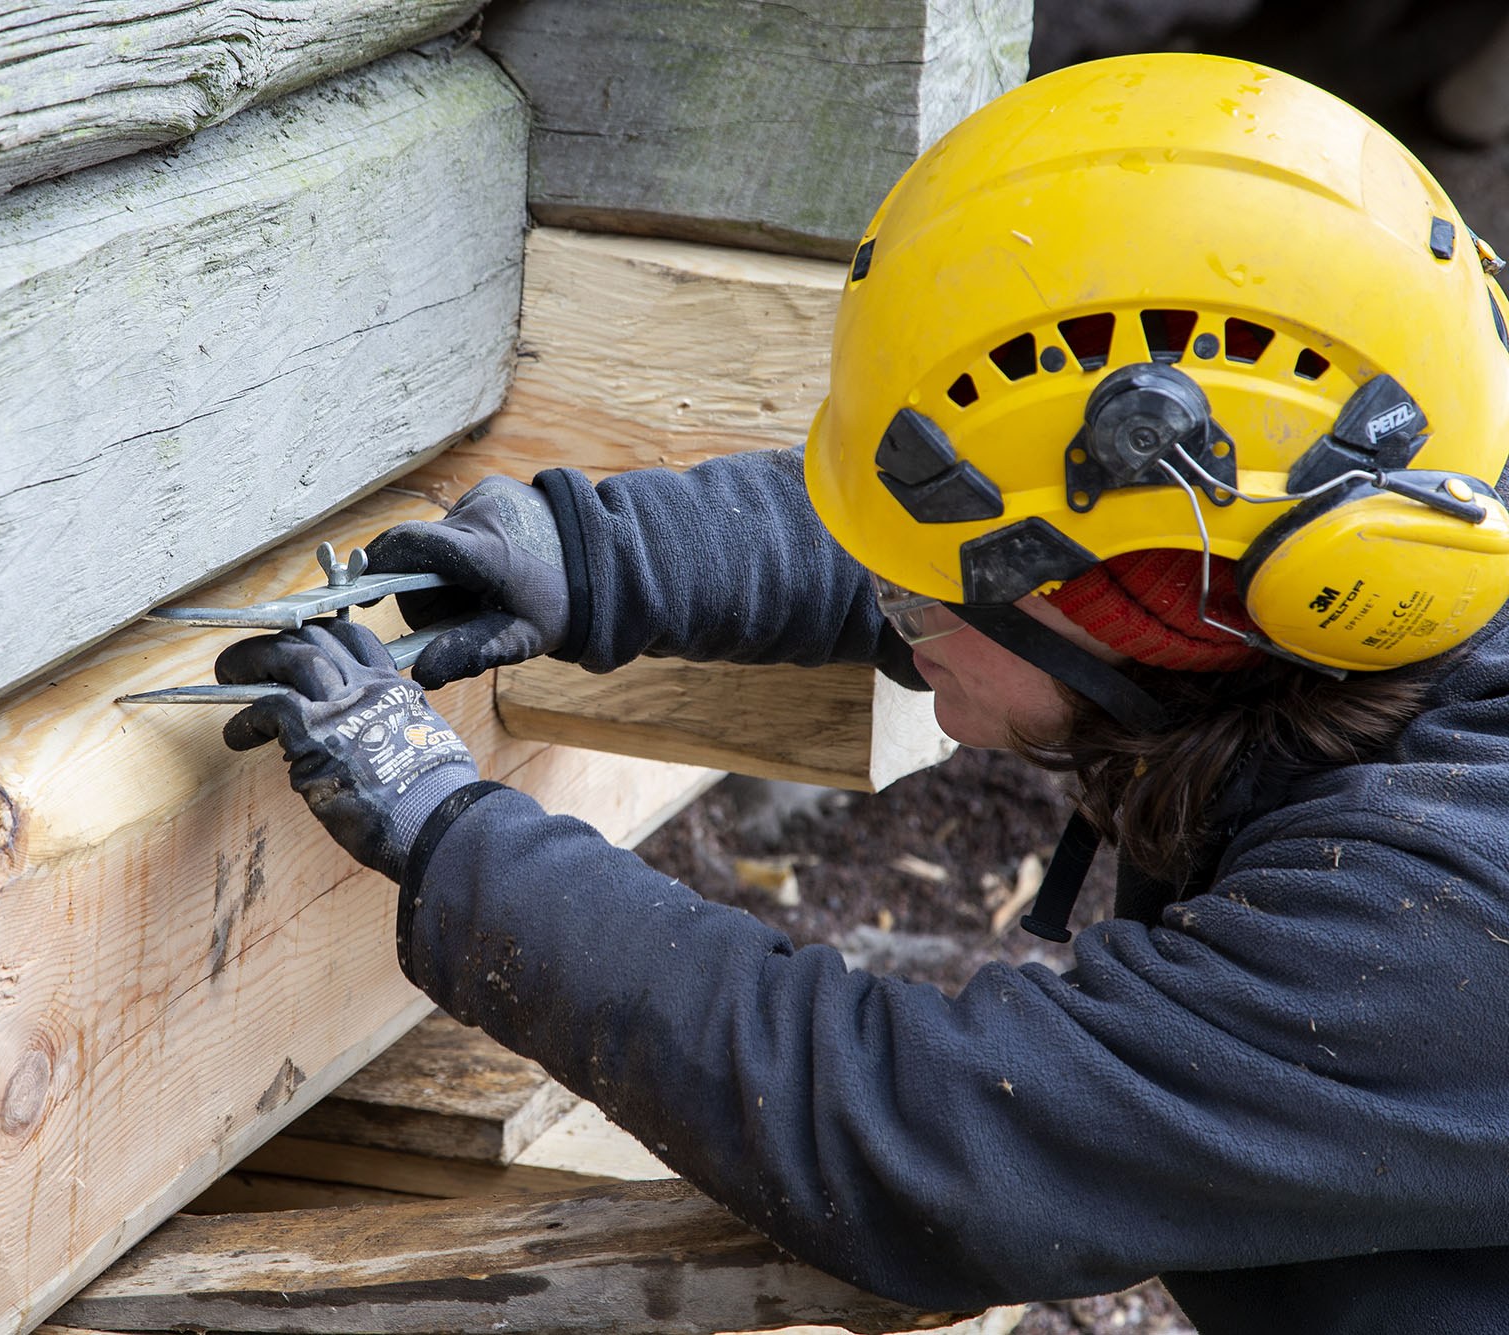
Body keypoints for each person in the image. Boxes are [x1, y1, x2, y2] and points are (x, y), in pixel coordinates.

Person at [210, 53, 1509, 1334]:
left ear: (1129, 614)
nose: (891, 604)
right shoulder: (1382, 551)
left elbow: (934, 1138)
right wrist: (599, 561)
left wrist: (452, 833)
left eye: (921, 590)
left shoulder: (1435, 936)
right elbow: (992, 539)